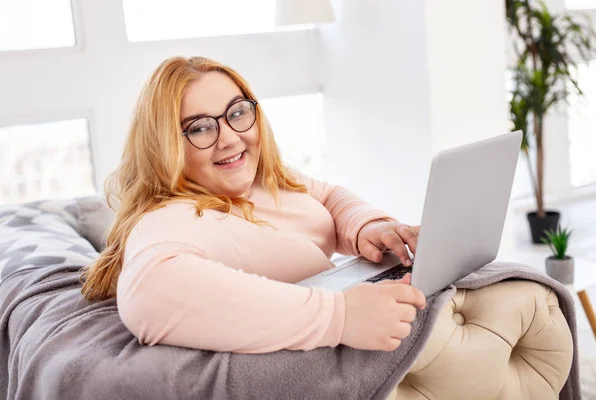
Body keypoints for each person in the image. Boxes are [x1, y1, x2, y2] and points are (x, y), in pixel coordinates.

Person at [81, 56, 427, 355]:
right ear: (165, 145)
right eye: (200, 128)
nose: (230, 138)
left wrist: (367, 225)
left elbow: (326, 196)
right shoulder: (172, 217)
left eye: (237, 112)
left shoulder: (261, 178)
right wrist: (339, 316)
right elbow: (150, 294)